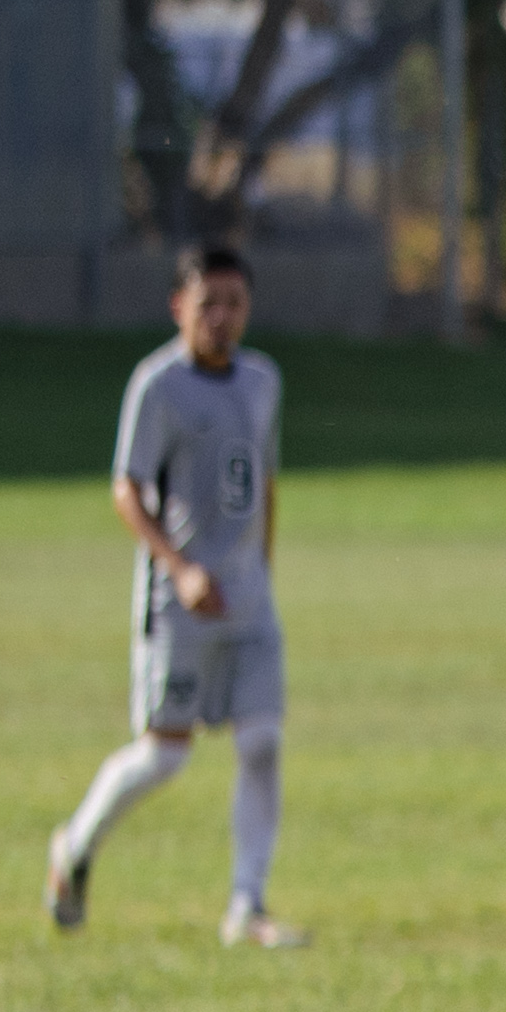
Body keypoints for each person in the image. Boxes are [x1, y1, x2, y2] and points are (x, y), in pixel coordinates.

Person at [47, 243, 302, 948]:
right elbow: (126, 489)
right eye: (208, 303)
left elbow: (267, 482)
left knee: (263, 741)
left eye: (235, 304)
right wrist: (180, 568)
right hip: (180, 602)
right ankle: (72, 847)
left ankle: (246, 907)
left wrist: (265, 572)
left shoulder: (262, 380)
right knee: (166, 754)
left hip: (251, 600)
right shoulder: (156, 386)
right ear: (179, 307)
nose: (222, 318)